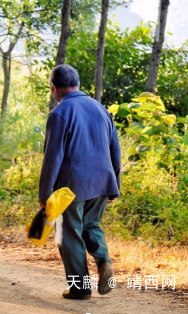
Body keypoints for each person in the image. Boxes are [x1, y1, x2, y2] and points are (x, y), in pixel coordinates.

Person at [38, 64, 121, 300]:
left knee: (69, 234)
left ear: (54, 88)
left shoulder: (60, 113)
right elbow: (115, 150)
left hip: (71, 187)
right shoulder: (101, 108)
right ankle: (104, 261)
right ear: (78, 84)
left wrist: (45, 196)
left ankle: (80, 287)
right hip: (103, 182)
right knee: (91, 226)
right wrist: (115, 184)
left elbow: (52, 158)